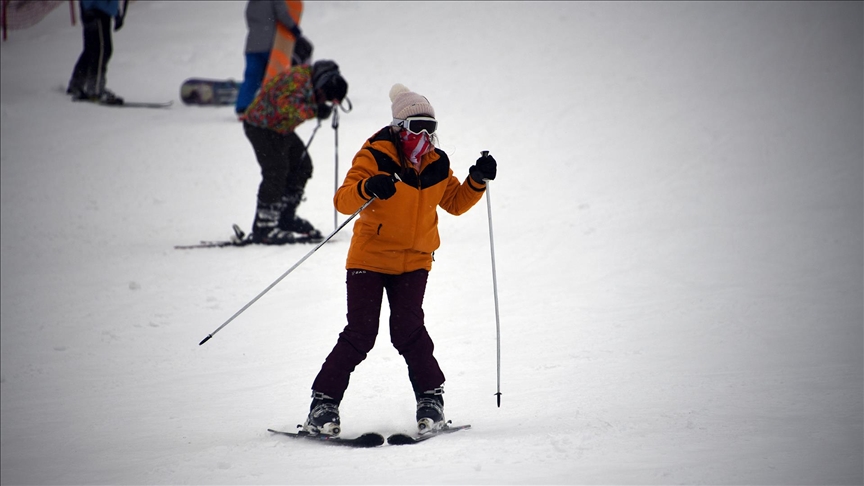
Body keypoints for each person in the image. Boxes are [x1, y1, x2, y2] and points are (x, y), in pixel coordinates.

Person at [301, 84, 498, 436]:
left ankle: (431, 402)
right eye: (415, 126)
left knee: (408, 332)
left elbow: (453, 202)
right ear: (397, 127)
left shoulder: (437, 163)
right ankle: (323, 406)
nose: (423, 136)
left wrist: (477, 180)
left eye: (430, 128)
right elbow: (343, 201)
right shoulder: (375, 155)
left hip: (414, 262)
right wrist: (369, 186)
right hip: (370, 259)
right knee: (360, 334)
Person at [242, 60, 347, 245]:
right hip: (261, 126)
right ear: (321, 83)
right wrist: (314, 110)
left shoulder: (311, 81)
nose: (323, 101)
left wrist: (317, 108)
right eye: (324, 96)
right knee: (275, 171)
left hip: (281, 129)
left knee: (302, 165)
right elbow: (285, 107)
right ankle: (264, 227)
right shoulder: (297, 80)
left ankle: (284, 217)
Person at [236, 0, 313, 117]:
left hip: (252, 46)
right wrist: (294, 29)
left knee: (251, 77)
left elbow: (250, 22)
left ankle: (243, 106)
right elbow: (282, 14)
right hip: (271, 45)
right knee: (274, 78)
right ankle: (270, 106)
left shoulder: (251, 3)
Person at [66, 0, 129, 104]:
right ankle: (95, 89)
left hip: (101, 10)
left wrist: (116, 13)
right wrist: (87, 9)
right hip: (96, 11)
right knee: (102, 51)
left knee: (91, 50)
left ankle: (77, 84)